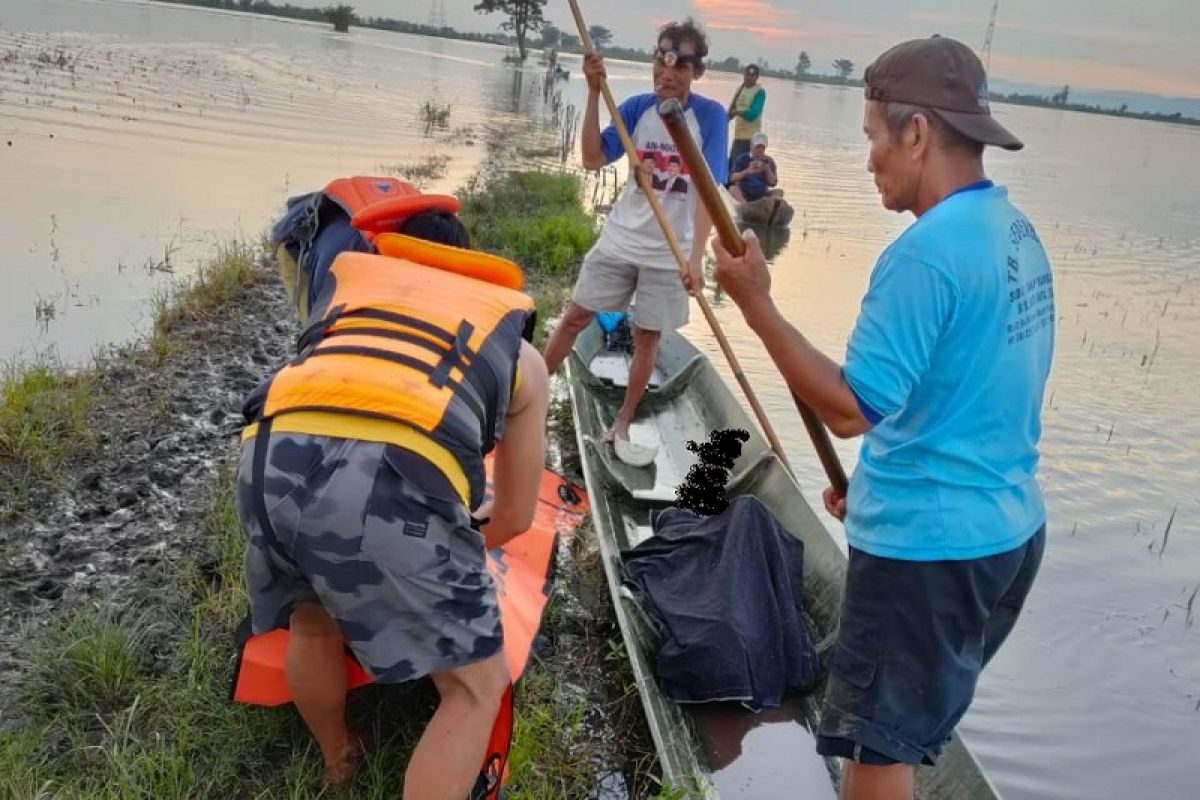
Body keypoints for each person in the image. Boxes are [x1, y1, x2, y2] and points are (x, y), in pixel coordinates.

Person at [711, 36, 1052, 800]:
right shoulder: (1016, 234)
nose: (869, 159)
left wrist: (757, 304)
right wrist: (877, 486)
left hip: (930, 555)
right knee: (900, 728)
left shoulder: (925, 254)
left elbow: (847, 410)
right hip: (1008, 538)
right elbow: (973, 394)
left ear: (918, 134)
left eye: (873, 137)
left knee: (876, 751)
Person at [238, 193, 550, 797]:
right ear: (469, 265)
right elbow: (511, 515)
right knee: (473, 689)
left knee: (312, 622)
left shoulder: (349, 301)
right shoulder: (518, 352)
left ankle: (339, 759)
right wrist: (442, 550)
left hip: (267, 457)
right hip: (388, 481)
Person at [542, 18, 727, 445]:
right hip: (622, 240)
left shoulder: (711, 118)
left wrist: (696, 258)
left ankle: (623, 421)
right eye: (661, 59)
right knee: (574, 317)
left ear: (696, 72)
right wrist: (592, 93)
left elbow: (707, 193)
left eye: (680, 64)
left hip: (670, 253)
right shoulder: (636, 109)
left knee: (647, 337)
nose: (667, 71)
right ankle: (526, 391)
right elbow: (591, 159)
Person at [727, 63, 766, 174]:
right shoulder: (740, 89)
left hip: (750, 138)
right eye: (747, 75)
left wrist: (737, 112)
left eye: (752, 76)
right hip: (738, 135)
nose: (748, 77)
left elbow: (752, 114)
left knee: (740, 167)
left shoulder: (760, 92)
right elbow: (732, 109)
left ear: (757, 77)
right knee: (732, 164)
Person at [728, 131, 781, 203]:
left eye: (762, 147)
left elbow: (773, 183)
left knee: (779, 192)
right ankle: (745, 206)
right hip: (744, 193)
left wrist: (766, 169)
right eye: (758, 147)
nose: (760, 149)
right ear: (751, 146)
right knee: (732, 189)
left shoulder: (768, 161)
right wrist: (747, 171)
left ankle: (767, 207)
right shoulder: (743, 158)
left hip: (762, 195)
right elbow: (732, 178)